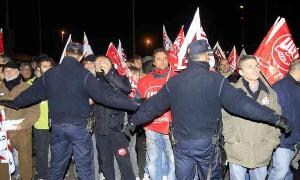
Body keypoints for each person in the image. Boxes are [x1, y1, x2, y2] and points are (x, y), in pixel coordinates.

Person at [125, 40, 292, 180]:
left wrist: (134, 120)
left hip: (182, 145)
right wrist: (275, 117)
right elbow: (242, 104)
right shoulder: (215, 80)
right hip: (207, 146)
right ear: (206, 57)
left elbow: (153, 106)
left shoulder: (175, 82)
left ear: (189, 59)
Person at [0, 42, 139, 180]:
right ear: (82, 56)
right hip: (80, 129)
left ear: (66, 53)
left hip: (58, 128)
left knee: (57, 167)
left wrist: (12, 103)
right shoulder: (84, 74)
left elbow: (30, 95)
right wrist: (135, 104)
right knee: (84, 167)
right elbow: (106, 96)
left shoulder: (50, 74)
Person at [222, 55, 281, 180]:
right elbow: (224, 117)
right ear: (241, 72)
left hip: (262, 151)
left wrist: (270, 143)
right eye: (250, 67)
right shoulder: (232, 92)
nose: (255, 69)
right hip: (237, 150)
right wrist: (232, 139)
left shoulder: (270, 94)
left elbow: (277, 119)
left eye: (256, 66)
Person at [93, 55, 136, 180]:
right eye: (96, 63)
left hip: (117, 130)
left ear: (110, 64)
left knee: (124, 162)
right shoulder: (92, 81)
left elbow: (126, 89)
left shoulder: (119, 78)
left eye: (102, 62)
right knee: (106, 163)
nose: (98, 65)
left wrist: (109, 74)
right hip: (100, 130)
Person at [137, 48, 176, 180]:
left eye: (165, 58)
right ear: (153, 62)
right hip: (151, 128)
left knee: (173, 161)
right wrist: (143, 124)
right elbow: (139, 105)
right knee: (153, 161)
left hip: (171, 128)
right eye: (159, 59)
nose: (162, 61)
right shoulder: (144, 81)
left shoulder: (175, 78)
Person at [0, 61, 40, 180]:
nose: (9, 73)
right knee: (3, 158)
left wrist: (23, 125)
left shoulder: (27, 87)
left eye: (11, 70)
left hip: (21, 130)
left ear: (18, 72)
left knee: (25, 160)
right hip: (2, 131)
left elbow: (35, 111)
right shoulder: (0, 87)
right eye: (6, 71)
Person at [268, 59, 300, 180]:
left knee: (286, 172)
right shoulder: (279, 87)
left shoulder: (296, 86)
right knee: (280, 172)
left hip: (294, 139)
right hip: (283, 139)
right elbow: (273, 114)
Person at [27, 54, 56, 180]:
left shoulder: (58, 82)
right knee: (42, 153)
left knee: (57, 151)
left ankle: (56, 173)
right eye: (45, 66)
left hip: (58, 123)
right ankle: (42, 175)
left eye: (50, 66)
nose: (48, 69)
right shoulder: (30, 84)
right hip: (40, 124)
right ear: (38, 69)